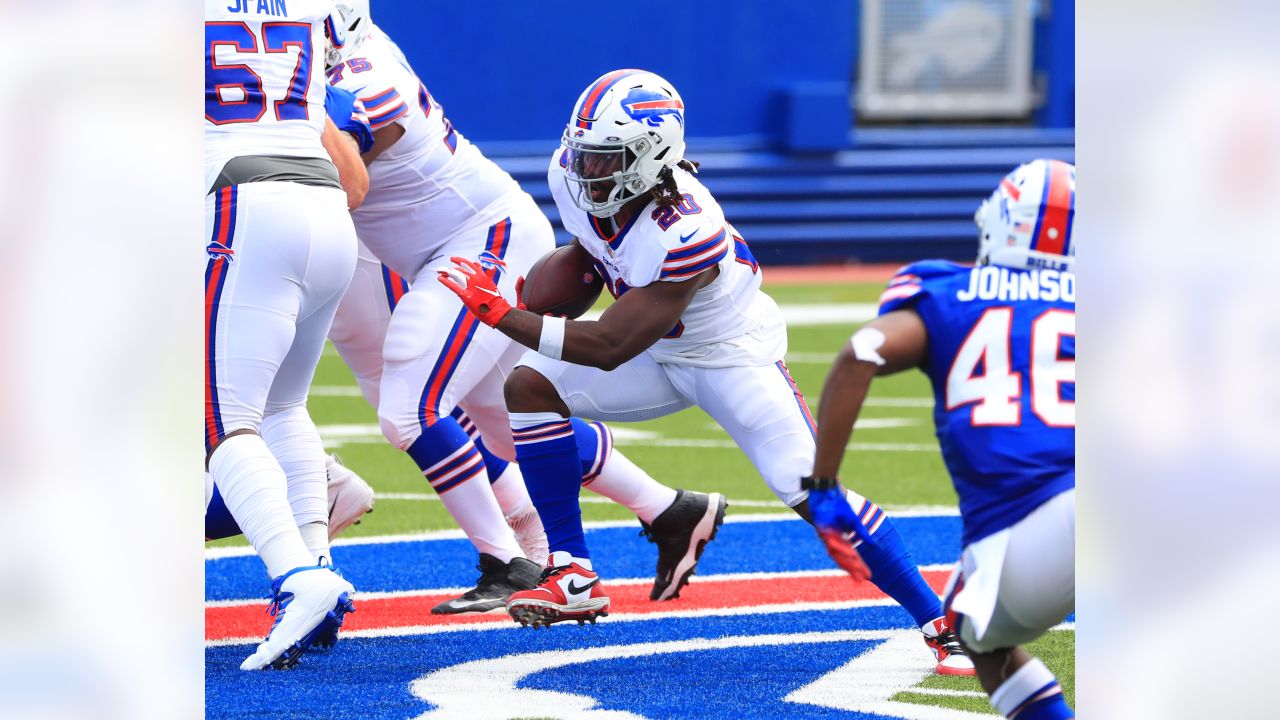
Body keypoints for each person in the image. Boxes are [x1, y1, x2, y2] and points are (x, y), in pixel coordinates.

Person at [438, 71, 972, 669]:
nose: (588, 171)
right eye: (586, 155)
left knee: (806, 486)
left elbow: (610, 344)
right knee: (529, 387)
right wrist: (562, 279)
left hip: (728, 355)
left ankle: (939, 621)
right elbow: (595, 259)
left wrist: (502, 313)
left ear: (653, 156)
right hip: (657, 349)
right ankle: (572, 574)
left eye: (607, 159)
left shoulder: (686, 226)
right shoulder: (572, 176)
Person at [322, 5, 724, 613]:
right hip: (446, 248)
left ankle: (509, 560)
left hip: (480, 245)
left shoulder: (364, 77)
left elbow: (333, 178)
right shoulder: (332, 61)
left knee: (407, 408)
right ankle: (668, 508)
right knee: (508, 430)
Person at [808, 159, 1076, 716]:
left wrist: (826, 485)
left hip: (1034, 517)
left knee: (977, 631)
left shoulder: (950, 291)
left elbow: (861, 352)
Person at [204, 0, 358, 670]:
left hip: (245, 201)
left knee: (221, 420)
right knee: (282, 407)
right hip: (325, 204)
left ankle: (298, 577)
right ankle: (318, 564)